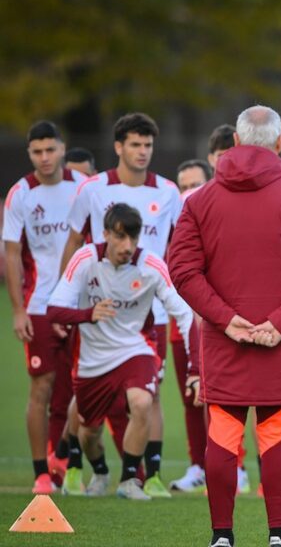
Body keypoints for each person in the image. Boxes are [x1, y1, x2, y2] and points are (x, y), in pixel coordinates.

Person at [168, 105, 281, 547]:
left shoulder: (200, 201)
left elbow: (183, 269)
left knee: (222, 438)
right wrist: (279, 323)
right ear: (279, 143)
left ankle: (222, 537)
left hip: (225, 342)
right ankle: (278, 536)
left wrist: (226, 320)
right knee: (275, 436)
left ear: (238, 143)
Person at [61, 112, 182, 497]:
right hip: (99, 311)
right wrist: (68, 303)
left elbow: (177, 248)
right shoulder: (93, 189)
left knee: (150, 394)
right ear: (118, 147)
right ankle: (75, 464)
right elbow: (74, 242)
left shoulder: (167, 192)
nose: (143, 151)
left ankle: (150, 476)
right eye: (135, 144)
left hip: (151, 310)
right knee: (85, 402)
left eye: (148, 145)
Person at [47, 204, 194, 500]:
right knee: (89, 432)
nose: (127, 246)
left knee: (142, 402)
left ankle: (129, 480)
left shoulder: (151, 266)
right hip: (94, 357)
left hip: (135, 348)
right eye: (120, 237)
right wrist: (88, 314)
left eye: (133, 238)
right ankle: (100, 471)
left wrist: (196, 365)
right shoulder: (85, 258)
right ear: (105, 235)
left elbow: (185, 314)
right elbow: (54, 309)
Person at [3, 121, 83, 493]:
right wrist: (18, 310)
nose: (45, 157)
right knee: (42, 387)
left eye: (50, 149)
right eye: (37, 151)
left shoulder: (82, 188)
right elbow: (13, 254)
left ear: (63, 148)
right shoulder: (20, 194)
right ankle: (41, 474)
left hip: (80, 304)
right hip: (38, 305)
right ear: (30, 154)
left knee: (81, 388)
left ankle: (63, 455)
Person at [167, 158, 215, 493]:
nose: (188, 192)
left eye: (195, 184)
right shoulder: (176, 217)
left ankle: (234, 467)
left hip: (212, 319)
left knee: (221, 397)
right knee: (189, 396)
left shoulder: (216, 212)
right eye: (183, 186)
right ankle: (197, 465)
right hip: (179, 319)